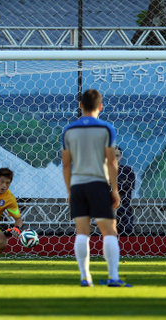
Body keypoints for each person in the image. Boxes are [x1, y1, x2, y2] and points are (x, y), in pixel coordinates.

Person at [62, 89, 131, 287]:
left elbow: (66, 165)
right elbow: (111, 161)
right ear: (101, 107)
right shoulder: (106, 128)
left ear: (81, 105)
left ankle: (85, 277)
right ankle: (113, 277)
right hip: (97, 184)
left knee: (82, 232)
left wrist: (69, 191)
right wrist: (115, 189)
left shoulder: (69, 130)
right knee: (109, 231)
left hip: (77, 186)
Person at [115, 146, 135, 236]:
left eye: (117, 155)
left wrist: (113, 183)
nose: (114, 158)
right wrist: (121, 182)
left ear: (121, 157)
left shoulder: (127, 170)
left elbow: (130, 186)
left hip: (124, 202)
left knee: (127, 227)